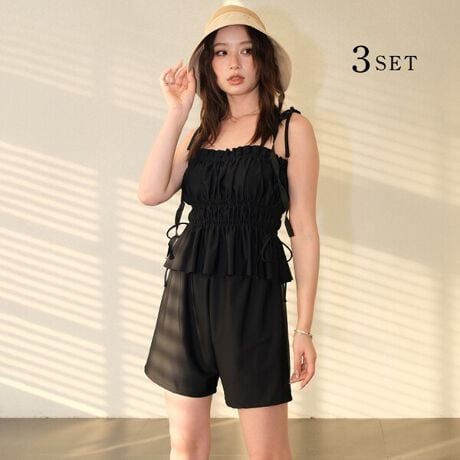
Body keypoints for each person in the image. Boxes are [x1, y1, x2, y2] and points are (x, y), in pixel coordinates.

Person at [138, 2, 320, 459]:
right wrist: (177, 112)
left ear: (262, 58)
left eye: (245, 50)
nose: (234, 63)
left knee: (267, 453)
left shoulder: (290, 129)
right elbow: (151, 192)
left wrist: (304, 330)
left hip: (253, 298)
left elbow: (304, 231)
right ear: (208, 64)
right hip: (187, 295)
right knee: (186, 447)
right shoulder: (200, 133)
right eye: (221, 52)